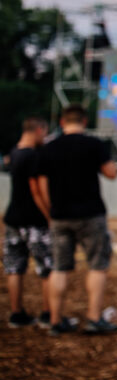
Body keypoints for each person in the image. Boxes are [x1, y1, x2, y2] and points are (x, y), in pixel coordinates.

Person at [35, 104, 117, 336]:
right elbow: (111, 173)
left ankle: (55, 320)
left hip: (60, 215)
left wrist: (49, 211)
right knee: (97, 266)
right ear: (84, 121)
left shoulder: (50, 147)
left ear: (62, 122)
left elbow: (41, 185)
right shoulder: (94, 144)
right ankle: (93, 318)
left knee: (59, 268)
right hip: (91, 214)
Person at [3, 117, 53, 328]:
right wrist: (50, 216)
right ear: (39, 130)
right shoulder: (34, 156)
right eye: (45, 132)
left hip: (13, 218)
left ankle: (16, 313)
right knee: (47, 268)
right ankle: (47, 313)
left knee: (14, 267)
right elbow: (36, 190)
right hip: (34, 221)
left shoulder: (14, 153)